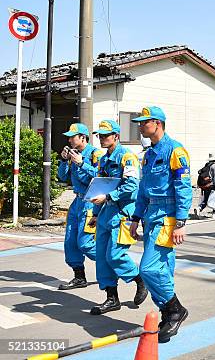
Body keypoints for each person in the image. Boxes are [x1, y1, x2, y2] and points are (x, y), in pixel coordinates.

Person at [129, 106, 192, 342]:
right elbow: (143, 190)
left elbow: (183, 188)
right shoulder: (149, 154)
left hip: (167, 215)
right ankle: (168, 314)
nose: (140, 126)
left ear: (157, 123)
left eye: (144, 122)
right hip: (150, 213)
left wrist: (181, 221)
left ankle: (175, 309)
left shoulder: (175, 151)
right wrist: (136, 217)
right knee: (163, 268)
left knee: (148, 268)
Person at [88, 120, 147, 315]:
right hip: (106, 213)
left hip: (123, 213)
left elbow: (131, 186)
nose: (102, 138)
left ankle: (139, 279)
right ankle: (111, 298)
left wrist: (108, 196)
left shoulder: (127, 158)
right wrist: (96, 214)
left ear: (116, 136)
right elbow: (100, 187)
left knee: (115, 255)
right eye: (100, 135)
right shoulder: (103, 160)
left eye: (106, 135)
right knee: (102, 259)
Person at [57, 123, 103, 290]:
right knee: (70, 241)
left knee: (85, 243)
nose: (69, 140)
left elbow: (100, 176)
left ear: (82, 137)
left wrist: (82, 163)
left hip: (90, 202)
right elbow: (62, 177)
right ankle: (79, 276)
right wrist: (63, 160)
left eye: (72, 137)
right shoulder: (73, 154)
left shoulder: (94, 154)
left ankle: (113, 262)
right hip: (77, 201)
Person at [195, 153, 215, 219]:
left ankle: (199, 208)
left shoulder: (207, 164)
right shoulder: (214, 165)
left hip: (204, 185)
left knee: (206, 199)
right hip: (210, 185)